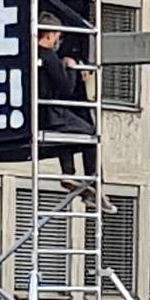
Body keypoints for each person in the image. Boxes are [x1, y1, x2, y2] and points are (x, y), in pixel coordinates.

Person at [36, 18, 99, 184]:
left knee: (67, 134)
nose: (58, 40)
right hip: (52, 114)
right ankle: (91, 179)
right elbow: (67, 88)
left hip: (39, 114)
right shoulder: (49, 56)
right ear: (50, 35)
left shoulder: (31, 53)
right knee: (91, 134)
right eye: (57, 35)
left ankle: (69, 172)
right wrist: (71, 69)